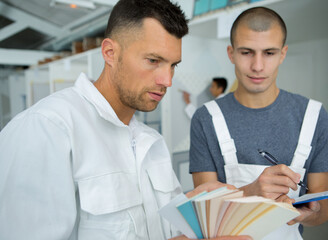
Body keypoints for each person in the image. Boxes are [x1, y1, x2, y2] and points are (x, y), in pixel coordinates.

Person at [0, 1, 253, 240]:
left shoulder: (151, 143)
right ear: (110, 52)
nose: (167, 80)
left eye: (173, 65)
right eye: (153, 61)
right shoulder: (46, 129)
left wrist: (194, 206)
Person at [189, 6, 328, 240]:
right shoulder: (205, 118)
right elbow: (203, 214)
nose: (257, 66)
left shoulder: (314, 116)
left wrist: (309, 213)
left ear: (283, 53)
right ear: (231, 53)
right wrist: (251, 192)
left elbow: (323, 211)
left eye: (269, 53)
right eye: (247, 52)